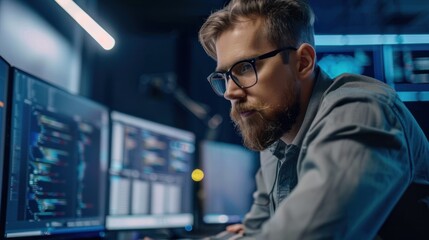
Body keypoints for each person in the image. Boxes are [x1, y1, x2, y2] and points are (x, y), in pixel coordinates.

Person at [198, 0, 429, 239]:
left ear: (303, 62)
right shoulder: (276, 136)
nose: (229, 92)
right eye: (224, 76)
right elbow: (257, 231)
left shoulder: (361, 111)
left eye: (245, 68)